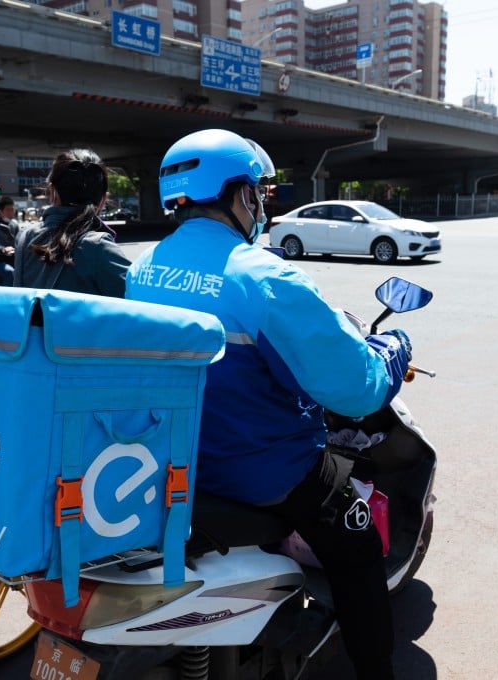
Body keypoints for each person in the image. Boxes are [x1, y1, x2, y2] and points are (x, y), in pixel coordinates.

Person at [125, 129, 413, 680]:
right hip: (261, 472)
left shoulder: (144, 268)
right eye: (259, 191)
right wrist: (395, 351)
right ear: (240, 193)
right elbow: (355, 388)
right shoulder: (263, 275)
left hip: (172, 465)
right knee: (356, 549)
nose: (261, 203)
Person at [14, 149, 130, 296]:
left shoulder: (24, 237)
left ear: (52, 193)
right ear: (103, 200)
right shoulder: (99, 246)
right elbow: (140, 298)